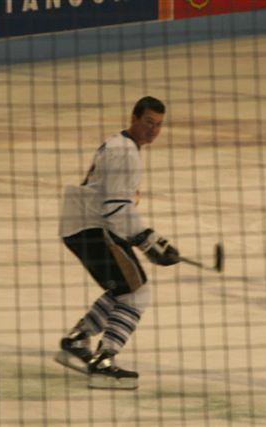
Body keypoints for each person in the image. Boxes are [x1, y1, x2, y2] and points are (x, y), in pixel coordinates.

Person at [56, 96, 180, 390]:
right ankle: (104, 360)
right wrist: (150, 241)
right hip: (94, 228)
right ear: (134, 118)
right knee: (136, 295)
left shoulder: (119, 144)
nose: (153, 130)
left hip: (83, 226)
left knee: (123, 289)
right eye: (149, 122)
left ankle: (78, 339)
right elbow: (115, 208)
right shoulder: (125, 153)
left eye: (159, 125)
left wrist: (148, 240)